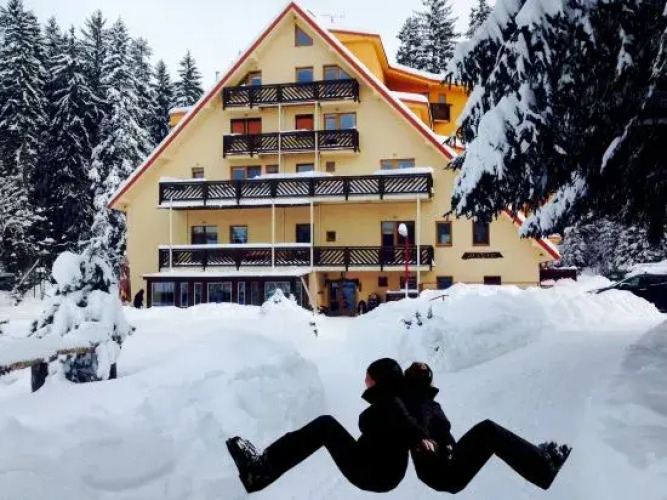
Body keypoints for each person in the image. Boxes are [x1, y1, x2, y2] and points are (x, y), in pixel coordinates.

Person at [226, 358, 432, 493]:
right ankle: (264, 466)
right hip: (378, 467)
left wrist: (421, 438)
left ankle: (260, 472)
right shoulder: (393, 398)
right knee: (326, 426)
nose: (365, 380)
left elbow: (408, 423)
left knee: (325, 426)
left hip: (374, 474)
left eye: (369, 377)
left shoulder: (393, 404)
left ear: (380, 382)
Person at [403, 362, 572, 493]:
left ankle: (542, 463)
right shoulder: (418, 404)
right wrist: (426, 447)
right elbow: (418, 427)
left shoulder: (422, 401)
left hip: (447, 462)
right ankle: (544, 468)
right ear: (425, 380)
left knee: (488, 432)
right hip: (445, 470)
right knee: (488, 430)